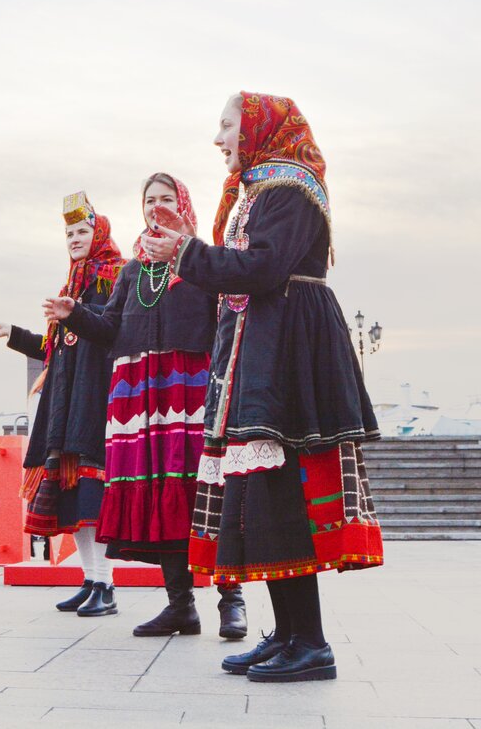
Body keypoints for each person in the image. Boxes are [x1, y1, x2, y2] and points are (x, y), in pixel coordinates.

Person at [143, 92, 383, 682]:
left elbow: (264, 270)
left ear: (258, 128)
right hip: (264, 343)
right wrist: (191, 250)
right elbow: (245, 268)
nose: (218, 137)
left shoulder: (288, 186)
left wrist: (187, 252)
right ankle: (290, 633)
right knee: (261, 492)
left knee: (281, 492)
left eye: (227, 125)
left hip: (285, 348)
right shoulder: (265, 188)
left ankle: (313, 643)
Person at [45, 172, 247, 639]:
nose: (157, 207)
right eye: (149, 200)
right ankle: (181, 605)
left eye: (166, 199)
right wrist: (73, 313)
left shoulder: (204, 260)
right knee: (160, 496)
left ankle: (230, 600)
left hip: (192, 391)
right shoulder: (132, 271)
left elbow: (230, 321)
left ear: (182, 205)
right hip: (141, 399)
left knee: (206, 493)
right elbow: (112, 327)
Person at [0, 190, 124, 616]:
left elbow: (109, 333)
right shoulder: (72, 285)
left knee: (92, 495)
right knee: (73, 497)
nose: (74, 238)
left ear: (99, 234)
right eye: (69, 233)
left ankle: (108, 585)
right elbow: (55, 348)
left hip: (94, 400)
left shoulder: (113, 279)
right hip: (66, 402)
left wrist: (74, 312)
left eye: (82, 231)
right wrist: (12, 333)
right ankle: (92, 579)